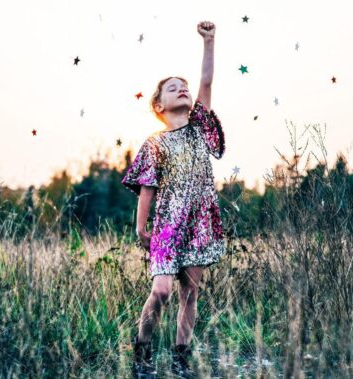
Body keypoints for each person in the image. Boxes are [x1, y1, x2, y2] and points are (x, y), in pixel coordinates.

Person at [121, 20, 226, 379]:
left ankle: (180, 359)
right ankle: (142, 353)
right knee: (162, 290)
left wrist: (209, 42)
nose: (181, 90)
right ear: (159, 105)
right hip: (166, 226)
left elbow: (207, 82)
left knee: (190, 294)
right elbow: (147, 188)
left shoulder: (199, 126)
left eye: (183, 87)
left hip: (199, 223)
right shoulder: (155, 143)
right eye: (172, 88)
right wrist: (141, 228)